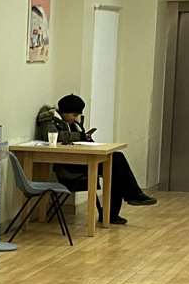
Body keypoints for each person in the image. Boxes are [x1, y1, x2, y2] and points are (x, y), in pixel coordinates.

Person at [34, 94, 156, 224]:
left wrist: (84, 137)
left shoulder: (72, 123)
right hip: (68, 164)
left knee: (116, 162)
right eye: (74, 115)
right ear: (64, 112)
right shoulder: (49, 120)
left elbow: (75, 138)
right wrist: (78, 136)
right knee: (116, 163)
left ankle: (114, 211)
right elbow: (53, 137)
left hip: (80, 158)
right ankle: (131, 196)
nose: (75, 118)